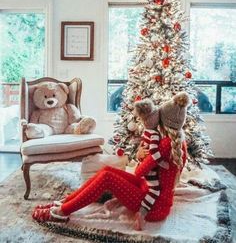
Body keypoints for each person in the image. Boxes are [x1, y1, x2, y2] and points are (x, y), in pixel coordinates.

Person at [32, 92, 189, 231]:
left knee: (107, 178)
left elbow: (139, 172)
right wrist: (144, 156)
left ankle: (61, 212)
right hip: (153, 194)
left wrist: (142, 156)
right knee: (107, 171)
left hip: (153, 206)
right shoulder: (178, 142)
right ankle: (64, 202)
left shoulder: (165, 144)